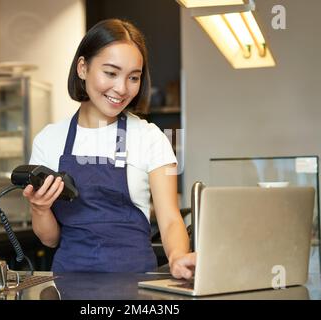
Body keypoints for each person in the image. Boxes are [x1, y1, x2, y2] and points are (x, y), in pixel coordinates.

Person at [24, 19, 196, 279]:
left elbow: (171, 219)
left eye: (133, 77)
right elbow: (50, 239)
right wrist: (39, 209)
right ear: (83, 68)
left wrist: (177, 257)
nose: (122, 88)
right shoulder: (49, 140)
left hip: (136, 287)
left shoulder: (150, 138)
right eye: (111, 73)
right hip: (69, 286)